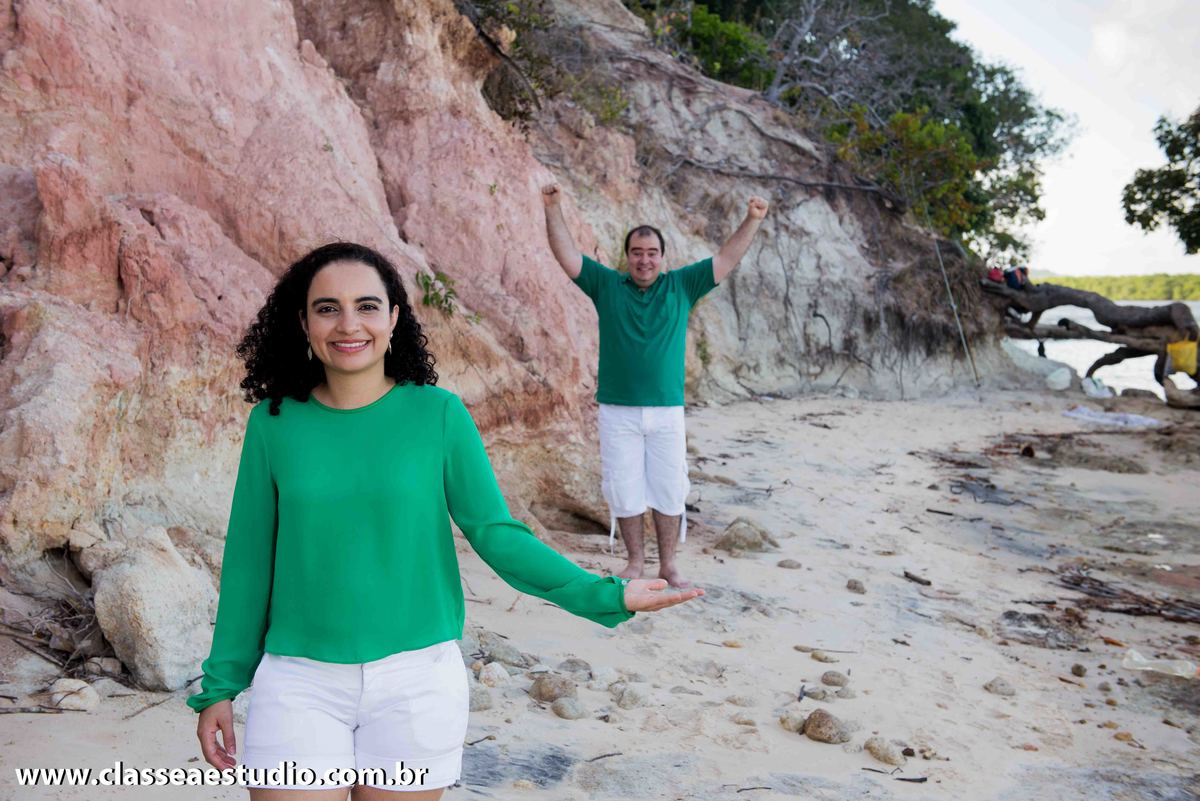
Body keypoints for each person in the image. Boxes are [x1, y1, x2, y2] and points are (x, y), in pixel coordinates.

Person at [188, 242, 703, 800]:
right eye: (327, 308)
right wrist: (222, 685)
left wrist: (605, 594)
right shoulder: (274, 423)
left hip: (417, 683)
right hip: (298, 681)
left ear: (393, 318)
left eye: (366, 306)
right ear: (303, 322)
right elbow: (248, 562)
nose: (348, 324)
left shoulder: (439, 414)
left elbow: (496, 534)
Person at [541, 184, 769, 588]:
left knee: (669, 489)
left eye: (651, 253)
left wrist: (752, 219)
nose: (644, 260)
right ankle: (634, 563)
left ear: (662, 257)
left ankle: (668, 564)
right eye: (637, 252)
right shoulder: (607, 285)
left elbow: (727, 258)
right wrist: (553, 206)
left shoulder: (682, 285)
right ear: (627, 256)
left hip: (666, 411)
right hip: (618, 410)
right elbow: (567, 255)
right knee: (623, 488)